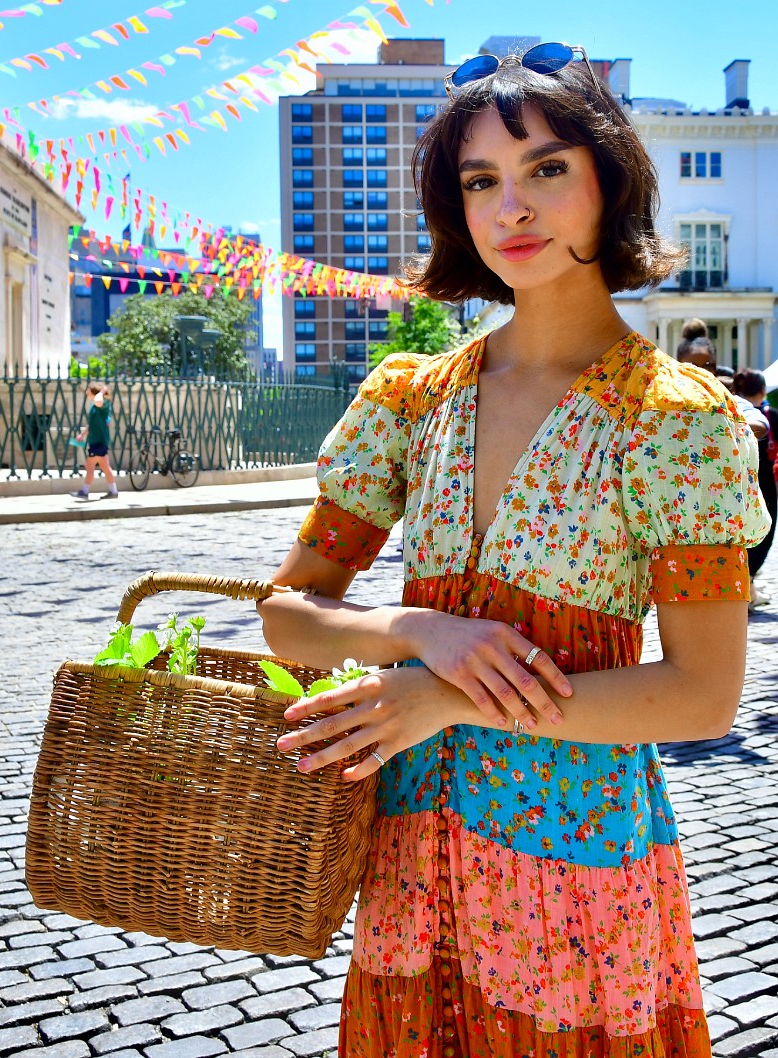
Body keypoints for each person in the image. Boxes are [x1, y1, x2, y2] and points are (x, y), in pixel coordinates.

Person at [257, 44, 770, 1058]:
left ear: (607, 182)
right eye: (481, 181)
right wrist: (414, 629)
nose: (512, 208)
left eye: (545, 169)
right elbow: (286, 610)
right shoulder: (410, 397)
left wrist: (447, 694)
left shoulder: (675, 419)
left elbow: (704, 694)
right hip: (407, 863)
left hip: (578, 868)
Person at [734, 368, 778, 606]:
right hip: (765, 482)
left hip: (737, 479)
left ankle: (747, 585)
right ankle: (747, 585)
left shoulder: (730, 410)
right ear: (762, 390)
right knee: (764, 531)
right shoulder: (770, 415)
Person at [676, 330, 768, 440]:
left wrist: (717, 428)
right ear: (678, 368)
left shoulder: (726, 400)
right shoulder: (668, 398)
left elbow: (760, 425)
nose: (700, 372)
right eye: (691, 366)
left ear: (714, 369)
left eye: (706, 366)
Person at [70, 382, 118, 500]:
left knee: (90, 465)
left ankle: (84, 492)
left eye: (88, 392)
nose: (86, 393)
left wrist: (101, 391)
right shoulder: (94, 406)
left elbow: (98, 400)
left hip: (99, 440)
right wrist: (83, 434)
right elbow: (91, 423)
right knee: (105, 467)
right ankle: (114, 491)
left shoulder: (103, 404)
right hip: (96, 439)